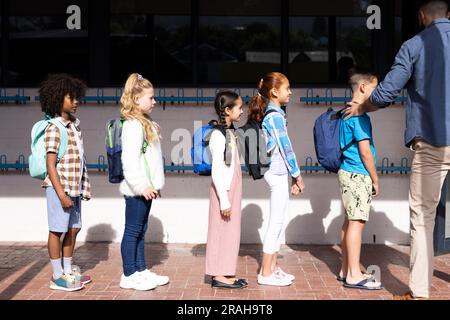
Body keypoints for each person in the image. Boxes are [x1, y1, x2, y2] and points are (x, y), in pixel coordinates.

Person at [344, 0, 450, 300]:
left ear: (421, 16)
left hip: (432, 142)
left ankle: (419, 293)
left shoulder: (414, 45)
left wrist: (363, 105)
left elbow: (388, 91)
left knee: (423, 218)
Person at [250, 72, 305, 286]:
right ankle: (265, 272)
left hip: (279, 172)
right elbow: (286, 148)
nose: (290, 92)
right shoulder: (274, 116)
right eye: (287, 88)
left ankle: (273, 267)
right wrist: (297, 175)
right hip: (276, 172)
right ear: (274, 92)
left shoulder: (275, 113)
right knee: (276, 222)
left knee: (279, 221)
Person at [40, 73, 92, 291]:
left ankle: (68, 269)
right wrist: (61, 194)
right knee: (57, 230)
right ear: (57, 99)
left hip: (75, 188)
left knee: (73, 229)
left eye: (77, 97)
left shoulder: (75, 126)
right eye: (71, 98)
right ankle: (57, 276)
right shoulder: (54, 127)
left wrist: (80, 189)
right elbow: (50, 164)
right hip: (59, 188)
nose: (76, 101)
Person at [118, 73, 169, 291]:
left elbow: (150, 159)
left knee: (141, 230)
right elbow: (129, 161)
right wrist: (142, 186)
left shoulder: (144, 123)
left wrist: (153, 185)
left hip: (146, 189)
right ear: (137, 99)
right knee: (132, 231)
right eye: (151, 97)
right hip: (137, 190)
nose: (155, 101)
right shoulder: (132, 126)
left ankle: (141, 270)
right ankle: (129, 274)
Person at [338, 69, 383, 291]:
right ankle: (354, 275)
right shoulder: (359, 116)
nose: (377, 94)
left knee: (349, 221)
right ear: (363, 87)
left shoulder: (346, 111)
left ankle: (346, 268)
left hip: (347, 171)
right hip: (359, 173)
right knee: (357, 223)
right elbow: (365, 152)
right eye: (375, 88)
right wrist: (375, 179)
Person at [205, 90, 247, 289]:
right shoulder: (218, 135)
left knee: (230, 232)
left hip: (232, 188)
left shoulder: (230, 131)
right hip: (225, 190)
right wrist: (224, 199)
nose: (242, 111)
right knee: (221, 231)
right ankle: (218, 274)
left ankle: (226, 271)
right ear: (228, 110)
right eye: (239, 107)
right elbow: (217, 170)